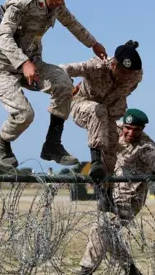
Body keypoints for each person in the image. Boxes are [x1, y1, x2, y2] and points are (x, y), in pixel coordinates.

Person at [0, 0, 108, 168]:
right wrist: (23, 62)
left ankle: (52, 145)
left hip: (32, 62)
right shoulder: (24, 1)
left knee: (63, 83)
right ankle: (2, 141)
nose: (60, 1)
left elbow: (72, 24)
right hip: (2, 67)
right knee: (25, 115)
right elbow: (3, 36)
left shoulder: (57, 5)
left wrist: (93, 44)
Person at [63, 109, 155, 275]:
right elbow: (94, 124)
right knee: (109, 235)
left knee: (102, 229)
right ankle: (131, 272)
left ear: (142, 129)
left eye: (136, 130)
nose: (130, 133)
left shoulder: (145, 146)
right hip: (108, 194)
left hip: (129, 200)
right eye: (128, 128)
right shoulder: (116, 129)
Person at [60, 40, 143, 181]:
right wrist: (68, 86)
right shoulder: (96, 66)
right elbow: (63, 69)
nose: (126, 76)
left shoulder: (136, 75)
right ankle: (96, 160)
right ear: (113, 64)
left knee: (110, 151)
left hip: (108, 114)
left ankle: (104, 191)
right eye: (122, 72)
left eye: (129, 73)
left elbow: (127, 90)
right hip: (82, 104)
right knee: (96, 110)